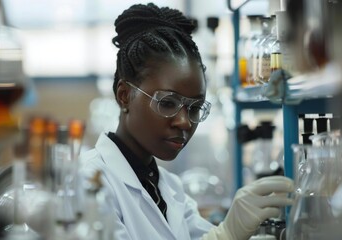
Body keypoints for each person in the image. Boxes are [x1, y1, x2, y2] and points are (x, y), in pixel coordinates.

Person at [80, 3, 294, 240]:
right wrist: (226, 235)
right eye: (168, 103)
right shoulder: (88, 180)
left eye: (194, 108)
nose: (184, 122)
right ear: (124, 95)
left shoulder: (169, 188)